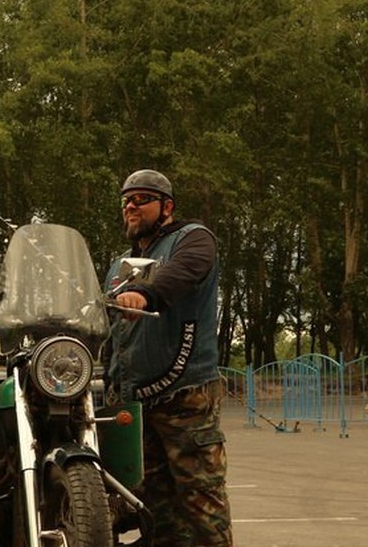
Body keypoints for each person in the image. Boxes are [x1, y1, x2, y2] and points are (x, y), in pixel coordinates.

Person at [104, 169, 232, 546]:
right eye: (126, 199)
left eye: (141, 198)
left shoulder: (192, 240)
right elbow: (110, 329)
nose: (131, 205)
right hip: (136, 402)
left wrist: (145, 294)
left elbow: (182, 273)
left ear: (167, 206)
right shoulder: (118, 265)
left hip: (186, 395)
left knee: (201, 500)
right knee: (153, 507)